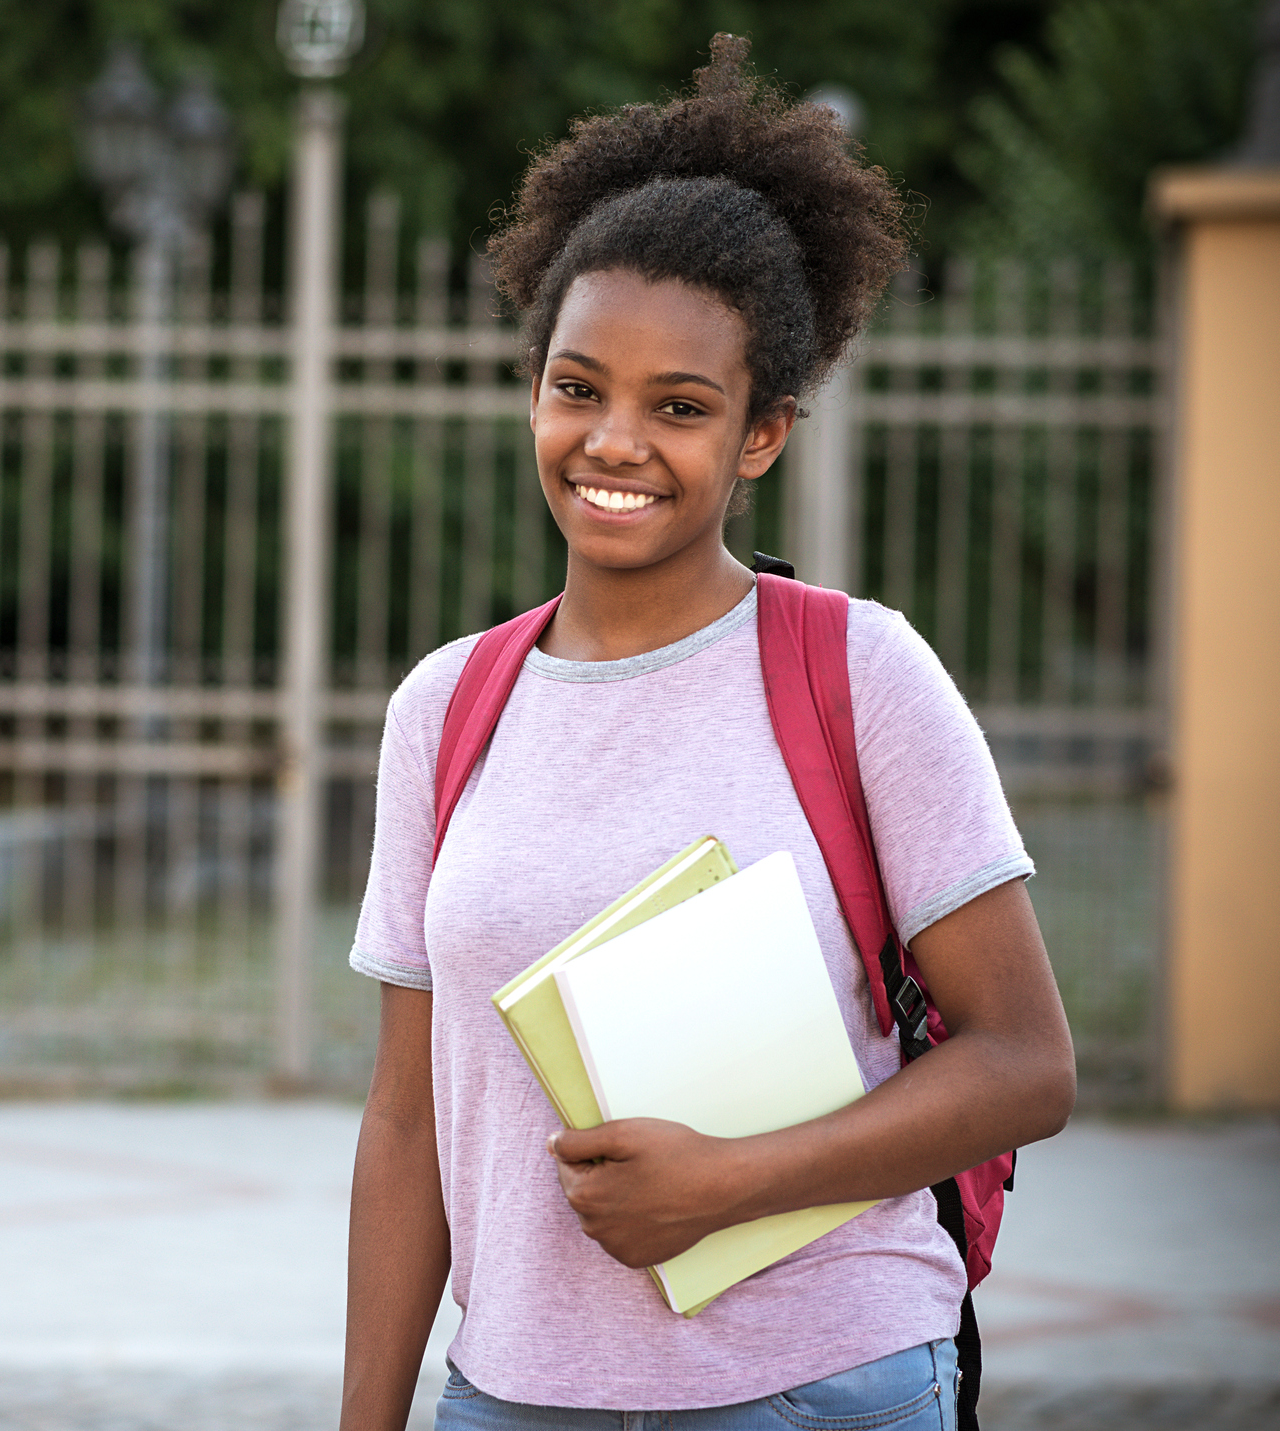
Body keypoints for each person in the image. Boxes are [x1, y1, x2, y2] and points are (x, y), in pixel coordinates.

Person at [339, 35, 1078, 1431]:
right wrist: (368, 1417)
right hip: (511, 1397)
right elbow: (403, 1119)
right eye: (577, 388)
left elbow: (1026, 1063)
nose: (614, 442)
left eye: (678, 407)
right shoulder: (447, 707)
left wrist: (729, 1181)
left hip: (822, 1385)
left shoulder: (859, 674)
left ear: (761, 436)